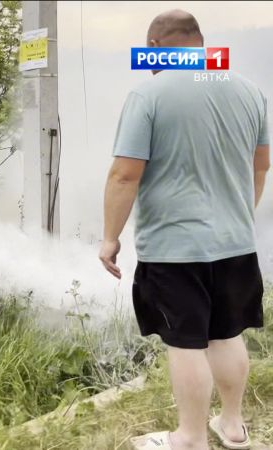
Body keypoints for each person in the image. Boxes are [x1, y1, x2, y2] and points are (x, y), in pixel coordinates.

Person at [99, 9, 269, 450]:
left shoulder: (148, 93)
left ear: (155, 48)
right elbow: (261, 164)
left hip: (176, 250)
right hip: (235, 243)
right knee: (227, 334)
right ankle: (232, 428)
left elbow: (124, 175)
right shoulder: (250, 90)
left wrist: (110, 238)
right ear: (199, 43)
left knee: (186, 343)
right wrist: (239, 216)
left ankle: (189, 438)